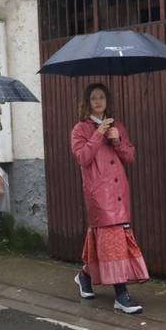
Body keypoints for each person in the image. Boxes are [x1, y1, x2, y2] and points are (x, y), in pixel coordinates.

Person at [70, 83, 149, 314]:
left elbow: (130, 156)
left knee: (105, 243)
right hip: (98, 194)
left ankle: (85, 275)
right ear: (87, 103)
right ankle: (121, 295)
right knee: (112, 243)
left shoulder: (118, 125)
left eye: (101, 97)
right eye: (93, 98)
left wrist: (118, 140)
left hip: (119, 193)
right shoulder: (80, 129)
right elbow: (83, 158)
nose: (98, 102)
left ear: (107, 101)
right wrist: (98, 134)